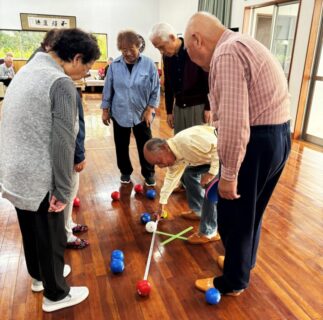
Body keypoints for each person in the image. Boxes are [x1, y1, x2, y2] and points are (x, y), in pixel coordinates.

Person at [184, 12, 291, 296]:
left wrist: (228, 174)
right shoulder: (241, 43)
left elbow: (234, 122)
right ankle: (242, 264)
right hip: (277, 135)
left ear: (198, 39)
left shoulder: (227, 54)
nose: (194, 61)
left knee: (234, 215)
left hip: (257, 141)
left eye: (190, 53)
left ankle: (233, 281)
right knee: (252, 212)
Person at [0, 28, 100, 312]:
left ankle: (40, 278)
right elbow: (63, 142)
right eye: (87, 67)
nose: (85, 74)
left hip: (15, 171)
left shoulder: (27, 71)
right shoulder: (60, 83)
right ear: (76, 57)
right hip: (39, 175)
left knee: (31, 231)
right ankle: (56, 294)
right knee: (52, 235)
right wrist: (62, 189)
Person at [27, 28, 89, 250]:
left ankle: (68, 225)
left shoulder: (53, 74)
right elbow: (64, 132)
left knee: (71, 191)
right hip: (62, 154)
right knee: (65, 191)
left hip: (69, 148)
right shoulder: (53, 77)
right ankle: (65, 235)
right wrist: (78, 153)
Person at [149, 23, 211, 218]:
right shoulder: (168, 57)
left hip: (198, 105)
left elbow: (208, 78)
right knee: (177, 149)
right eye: (157, 48)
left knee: (196, 151)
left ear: (172, 37)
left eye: (161, 46)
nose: (161, 51)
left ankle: (199, 194)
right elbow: (168, 84)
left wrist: (209, 106)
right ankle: (183, 183)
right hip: (179, 106)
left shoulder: (193, 50)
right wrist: (169, 110)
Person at [101, 30, 160, 186]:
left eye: (131, 49)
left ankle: (149, 173)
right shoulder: (114, 66)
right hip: (119, 112)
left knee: (146, 145)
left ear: (138, 46)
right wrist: (105, 110)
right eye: (123, 50)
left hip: (142, 114)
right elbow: (108, 89)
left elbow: (155, 89)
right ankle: (125, 172)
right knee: (121, 145)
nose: (127, 53)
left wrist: (150, 110)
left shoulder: (148, 65)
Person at [144, 125, 220, 244]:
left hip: (227, 156)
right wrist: (161, 204)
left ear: (165, 147)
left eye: (159, 161)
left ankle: (209, 232)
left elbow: (218, 146)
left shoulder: (187, 142)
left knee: (210, 187)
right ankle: (199, 210)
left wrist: (211, 173)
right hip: (209, 159)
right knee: (189, 173)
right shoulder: (173, 155)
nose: (161, 166)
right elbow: (171, 179)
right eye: (156, 165)